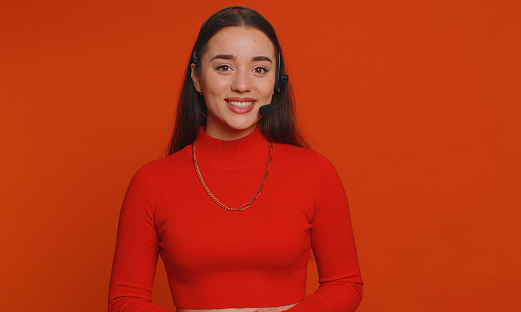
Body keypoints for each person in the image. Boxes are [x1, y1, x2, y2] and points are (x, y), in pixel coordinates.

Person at [108, 6, 363, 312]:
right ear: (197, 77)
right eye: (224, 67)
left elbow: (346, 284)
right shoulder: (151, 182)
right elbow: (125, 301)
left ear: (277, 83)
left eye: (259, 69)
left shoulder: (316, 172)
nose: (242, 85)